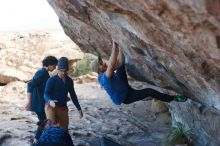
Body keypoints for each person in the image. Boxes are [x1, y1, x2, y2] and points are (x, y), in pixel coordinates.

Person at [90, 41, 187, 105]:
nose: (103, 63)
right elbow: (111, 64)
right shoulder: (104, 78)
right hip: (126, 97)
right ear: (98, 70)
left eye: (101, 61)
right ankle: (173, 98)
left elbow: (118, 62)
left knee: (121, 66)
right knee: (149, 91)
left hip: (123, 86)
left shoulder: (105, 73)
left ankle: (143, 96)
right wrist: (114, 46)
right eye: (100, 64)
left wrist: (120, 47)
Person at [25, 56, 58, 143]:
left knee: (44, 122)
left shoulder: (44, 72)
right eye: (54, 65)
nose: (55, 68)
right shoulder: (42, 72)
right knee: (44, 122)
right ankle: (36, 141)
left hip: (41, 102)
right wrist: (29, 101)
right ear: (50, 64)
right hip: (38, 103)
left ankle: (38, 140)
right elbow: (30, 84)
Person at [44, 57, 83, 130]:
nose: (63, 73)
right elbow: (46, 94)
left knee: (64, 130)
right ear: (58, 69)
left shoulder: (69, 81)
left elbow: (73, 95)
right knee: (51, 127)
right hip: (51, 106)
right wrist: (50, 101)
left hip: (62, 107)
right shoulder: (51, 80)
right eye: (61, 71)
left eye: (65, 71)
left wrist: (79, 109)